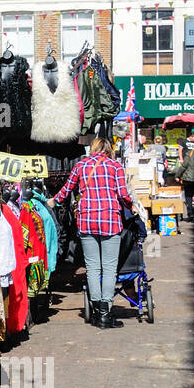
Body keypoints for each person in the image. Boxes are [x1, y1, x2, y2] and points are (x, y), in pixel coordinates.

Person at [49, 137, 134, 329]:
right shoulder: (115, 166)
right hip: (110, 220)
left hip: (87, 220)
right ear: (108, 149)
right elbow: (122, 194)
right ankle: (106, 311)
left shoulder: (81, 166)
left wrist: (52, 201)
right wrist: (131, 206)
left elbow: (66, 190)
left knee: (93, 267)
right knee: (109, 268)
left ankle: (97, 312)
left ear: (93, 149)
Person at [175, 137, 194, 224]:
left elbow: (184, 166)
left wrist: (177, 175)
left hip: (188, 178)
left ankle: (190, 213)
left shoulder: (190, 153)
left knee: (188, 196)